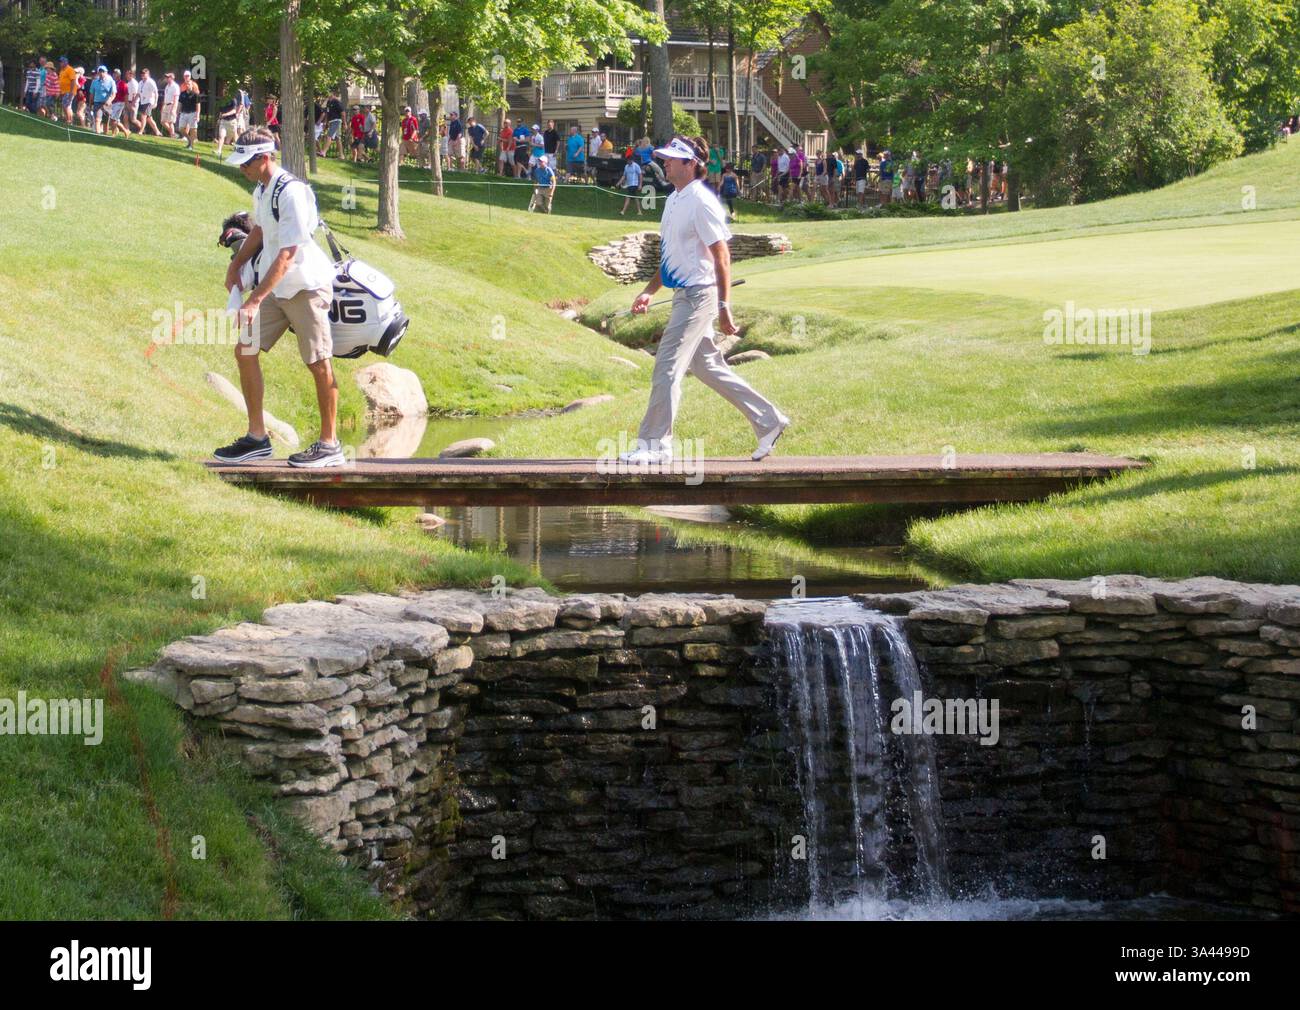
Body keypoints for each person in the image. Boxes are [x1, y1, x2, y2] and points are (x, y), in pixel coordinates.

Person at [620, 135, 789, 466]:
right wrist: (649, 290)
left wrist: (725, 306)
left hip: (699, 296)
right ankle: (769, 420)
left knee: (667, 364)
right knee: (706, 366)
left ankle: (655, 445)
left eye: (671, 158)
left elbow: (722, 257)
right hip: (684, 293)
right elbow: (671, 258)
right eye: (664, 157)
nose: (665, 161)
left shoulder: (702, 200)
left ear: (690, 163)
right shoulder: (673, 200)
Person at [216, 128, 342, 468]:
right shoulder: (261, 189)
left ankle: (330, 444)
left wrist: (255, 299)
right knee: (246, 350)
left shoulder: (293, 194)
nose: (241, 168)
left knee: (318, 362)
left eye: (246, 162)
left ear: (264, 157)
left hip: (305, 287)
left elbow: (287, 254)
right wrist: (237, 264)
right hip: (277, 288)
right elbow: (258, 230)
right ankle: (257, 439)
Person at [177, 76, 201, 149]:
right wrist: (177, 112)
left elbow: (198, 106)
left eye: (189, 84)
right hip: (183, 113)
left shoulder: (196, 94)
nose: (188, 85)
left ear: (192, 85)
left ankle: (191, 146)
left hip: (192, 113)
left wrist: (197, 115)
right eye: (187, 84)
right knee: (181, 128)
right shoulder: (182, 94)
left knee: (193, 129)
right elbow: (180, 104)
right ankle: (190, 140)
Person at [215, 85, 239, 157]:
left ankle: (239, 149)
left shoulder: (233, 99)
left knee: (235, 137)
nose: (224, 92)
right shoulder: (222, 100)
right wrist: (219, 119)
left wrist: (225, 114)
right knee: (221, 136)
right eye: (224, 90)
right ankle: (219, 151)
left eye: (226, 90)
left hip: (232, 121)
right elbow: (221, 112)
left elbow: (234, 111)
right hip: (223, 121)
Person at [135, 68, 160, 135]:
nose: (142, 74)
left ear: (148, 74)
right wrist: (133, 101)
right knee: (149, 118)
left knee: (143, 116)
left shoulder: (151, 81)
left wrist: (155, 102)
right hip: (143, 101)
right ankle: (157, 132)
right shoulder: (140, 82)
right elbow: (138, 93)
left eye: (144, 73)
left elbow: (156, 92)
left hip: (149, 101)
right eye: (142, 73)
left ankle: (141, 131)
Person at [320, 91, 344, 158]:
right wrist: (325, 122)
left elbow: (343, 113)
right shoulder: (328, 102)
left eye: (329, 92)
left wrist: (344, 123)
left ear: (332, 93)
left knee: (329, 136)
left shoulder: (337, 102)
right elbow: (327, 113)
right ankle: (341, 155)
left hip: (336, 121)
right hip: (331, 121)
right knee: (337, 138)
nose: (327, 94)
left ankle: (323, 152)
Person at [618, 151, 643, 216]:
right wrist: (619, 183)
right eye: (627, 160)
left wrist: (640, 185)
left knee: (628, 197)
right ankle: (639, 211)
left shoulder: (636, 166)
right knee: (636, 198)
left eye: (629, 160)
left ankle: (623, 211)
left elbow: (640, 175)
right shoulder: (626, 166)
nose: (628, 161)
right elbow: (624, 176)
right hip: (629, 185)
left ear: (632, 160)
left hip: (634, 185)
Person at [160, 71, 180, 137]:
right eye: (166, 77)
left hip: (171, 105)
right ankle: (173, 134)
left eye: (168, 77)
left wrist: (174, 109)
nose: (167, 78)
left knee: (170, 122)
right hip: (166, 105)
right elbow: (165, 97)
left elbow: (176, 98)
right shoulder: (167, 86)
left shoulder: (175, 86)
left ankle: (172, 135)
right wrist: (163, 106)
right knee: (163, 121)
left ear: (172, 78)